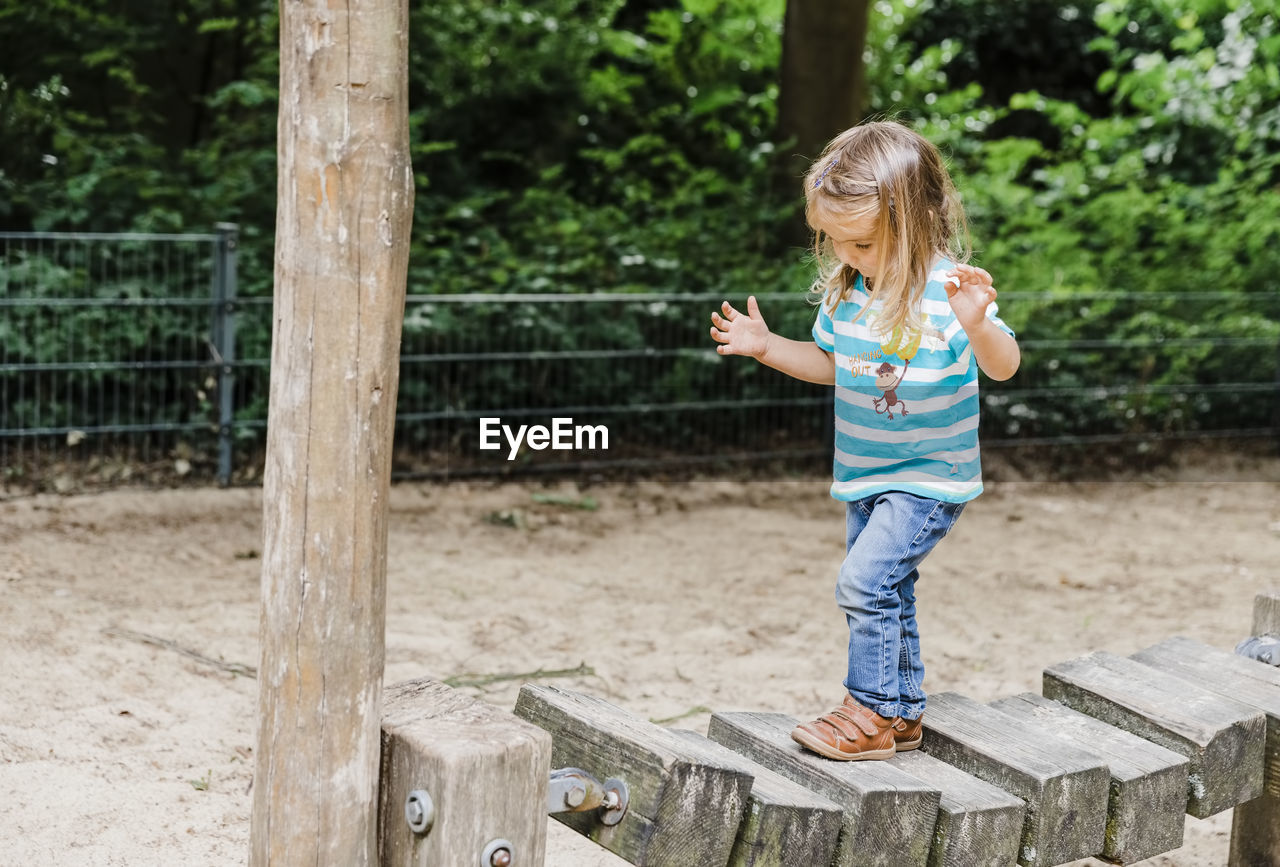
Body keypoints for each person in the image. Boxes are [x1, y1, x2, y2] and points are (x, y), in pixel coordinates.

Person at [708, 119, 1020, 761]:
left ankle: (870, 711)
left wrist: (979, 324)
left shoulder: (951, 292)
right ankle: (903, 713)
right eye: (837, 241)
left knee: (863, 582)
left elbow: (1003, 365)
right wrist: (767, 348)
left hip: (929, 476)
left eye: (864, 242)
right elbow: (834, 367)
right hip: (865, 475)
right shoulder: (847, 296)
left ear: (917, 221)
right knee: (887, 589)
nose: (848, 255)